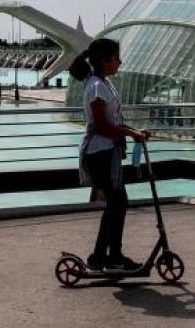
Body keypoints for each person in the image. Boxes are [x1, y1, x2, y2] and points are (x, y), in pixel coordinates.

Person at [70, 38, 150, 272]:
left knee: (117, 204)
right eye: (116, 57)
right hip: (99, 153)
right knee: (117, 203)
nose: (120, 61)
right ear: (105, 61)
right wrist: (132, 133)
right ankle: (107, 257)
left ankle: (106, 257)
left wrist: (134, 132)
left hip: (106, 152)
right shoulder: (96, 86)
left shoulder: (101, 82)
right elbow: (103, 127)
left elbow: (111, 123)